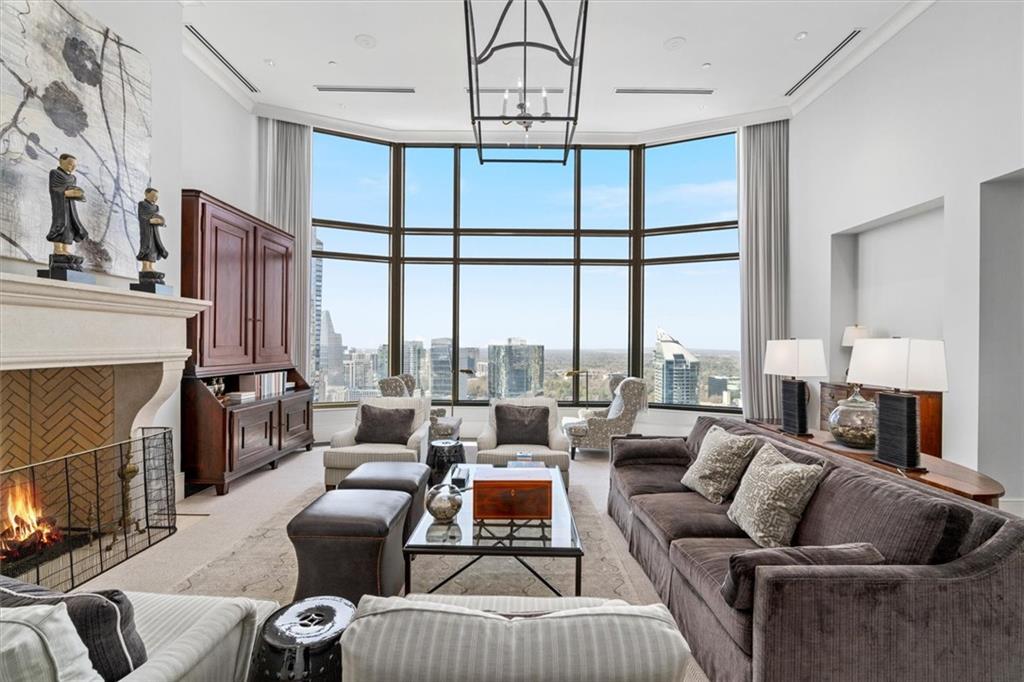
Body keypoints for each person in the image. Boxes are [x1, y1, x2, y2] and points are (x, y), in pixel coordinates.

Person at [47, 153, 88, 253]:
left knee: (70, 226)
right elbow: (54, 189)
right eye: (70, 164)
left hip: (70, 207)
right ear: (61, 161)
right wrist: (66, 192)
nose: (73, 167)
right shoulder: (55, 173)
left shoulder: (73, 178)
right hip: (60, 205)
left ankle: (66, 249)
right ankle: (58, 249)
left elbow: (75, 191)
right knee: (60, 223)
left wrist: (78, 194)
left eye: (75, 166)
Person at [136, 187, 168, 270]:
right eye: (154, 195)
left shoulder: (156, 207)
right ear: (146, 194)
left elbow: (159, 217)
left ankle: (151, 266)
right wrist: (150, 220)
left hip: (155, 232)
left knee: (154, 247)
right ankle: (145, 266)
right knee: (147, 245)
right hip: (146, 231)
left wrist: (160, 222)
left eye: (157, 197)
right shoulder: (142, 204)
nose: (155, 198)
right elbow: (142, 217)